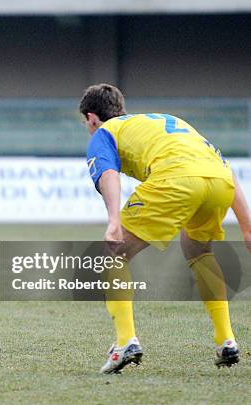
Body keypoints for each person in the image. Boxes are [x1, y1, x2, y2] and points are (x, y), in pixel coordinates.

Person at [80, 83, 251, 374]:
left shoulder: (103, 134)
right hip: (219, 181)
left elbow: (108, 173)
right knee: (198, 250)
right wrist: (247, 227)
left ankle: (125, 342)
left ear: (92, 118)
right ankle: (227, 341)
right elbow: (222, 165)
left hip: (178, 179)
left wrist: (113, 221)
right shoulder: (163, 121)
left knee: (113, 255)